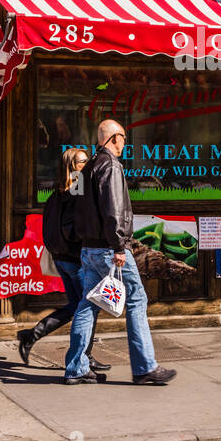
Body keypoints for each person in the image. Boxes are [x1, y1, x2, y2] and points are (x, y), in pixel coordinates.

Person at [64, 119, 176, 385]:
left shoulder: (88, 166)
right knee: (137, 298)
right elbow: (114, 209)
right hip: (108, 248)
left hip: (89, 248)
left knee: (88, 304)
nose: (124, 142)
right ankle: (145, 367)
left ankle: (76, 368)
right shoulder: (111, 166)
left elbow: (76, 207)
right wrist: (119, 246)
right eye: (123, 137)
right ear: (114, 138)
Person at [16, 148, 110, 371]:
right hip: (75, 259)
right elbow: (75, 228)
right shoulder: (76, 192)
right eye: (82, 162)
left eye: (87, 161)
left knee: (78, 306)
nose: (86, 165)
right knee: (88, 307)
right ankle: (83, 356)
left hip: (62, 258)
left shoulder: (57, 193)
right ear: (72, 167)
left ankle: (33, 335)